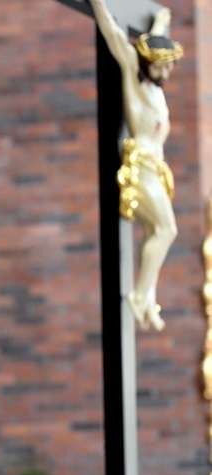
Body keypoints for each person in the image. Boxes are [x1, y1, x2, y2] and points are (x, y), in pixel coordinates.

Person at [90, 0, 184, 331]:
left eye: (168, 65)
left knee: (154, 233)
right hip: (140, 167)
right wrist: (98, 5)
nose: (166, 72)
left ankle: (147, 301)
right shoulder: (133, 74)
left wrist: (158, 21)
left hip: (155, 169)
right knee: (167, 229)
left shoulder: (156, 91)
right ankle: (140, 297)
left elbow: (152, 40)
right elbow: (116, 35)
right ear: (147, 64)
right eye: (160, 66)